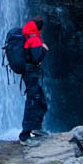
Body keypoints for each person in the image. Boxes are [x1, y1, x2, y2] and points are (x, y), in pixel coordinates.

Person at [18, 18, 49, 146]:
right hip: (31, 73)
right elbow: (36, 58)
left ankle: (37, 127)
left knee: (40, 99)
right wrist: (44, 49)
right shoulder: (35, 38)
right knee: (32, 101)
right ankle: (25, 136)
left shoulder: (26, 35)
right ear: (40, 28)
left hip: (27, 72)